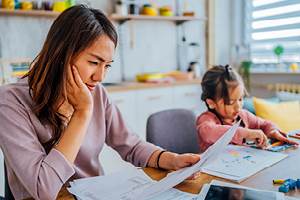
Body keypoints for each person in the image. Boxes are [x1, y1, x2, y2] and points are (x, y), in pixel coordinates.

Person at [0, 5, 201, 200]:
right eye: (94, 63)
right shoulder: (11, 102)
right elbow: (43, 190)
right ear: (61, 54)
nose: (100, 76)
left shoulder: (98, 94)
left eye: (107, 66)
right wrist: (83, 112)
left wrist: (173, 160)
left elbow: (132, 146)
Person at [196, 65, 298, 153]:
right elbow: (209, 133)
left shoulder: (243, 115)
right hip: (211, 171)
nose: (238, 106)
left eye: (240, 99)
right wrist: (247, 133)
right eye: (230, 102)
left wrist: (273, 131)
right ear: (211, 103)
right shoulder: (206, 119)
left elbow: (265, 124)